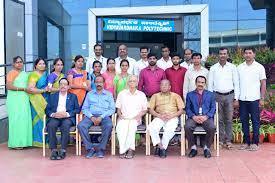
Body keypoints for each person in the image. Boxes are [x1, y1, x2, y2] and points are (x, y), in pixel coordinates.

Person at [208, 47, 239, 149]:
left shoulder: (232, 67)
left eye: (224, 53)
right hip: (217, 96)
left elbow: (236, 83)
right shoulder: (213, 68)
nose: (222, 55)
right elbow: (210, 84)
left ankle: (228, 141)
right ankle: (220, 140)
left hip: (230, 95)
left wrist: (236, 98)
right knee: (219, 119)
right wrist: (210, 98)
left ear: (227, 55)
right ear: (218, 55)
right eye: (221, 53)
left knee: (229, 119)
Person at [78, 75, 115, 158]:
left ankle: (101, 149)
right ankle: (90, 149)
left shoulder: (109, 94)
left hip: (104, 116)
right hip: (91, 116)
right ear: (94, 83)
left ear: (104, 83)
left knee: (109, 125)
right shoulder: (89, 94)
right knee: (81, 126)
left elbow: (112, 109)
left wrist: (101, 117)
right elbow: (84, 108)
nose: (99, 84)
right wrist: (91, 117)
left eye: (100, 82)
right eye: (97, 82)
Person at [238, 47, 266, 151]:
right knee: (244, 121)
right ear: (244, 55)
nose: (248, 55)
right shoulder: (240, 67)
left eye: (250, 53)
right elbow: (237, 83)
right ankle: (246, 142)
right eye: (246, 53)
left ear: (254, 54)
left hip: (255, 98)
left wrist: (262, 98)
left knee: (255, 121)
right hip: (242, 99)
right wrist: (236, 98)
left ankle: (255, 143)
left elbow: (263, 83)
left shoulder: (259, 67)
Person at [45, 78, 80, 160]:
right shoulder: (52, 96)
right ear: (59, 86)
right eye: (61, 84)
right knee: (51, 125)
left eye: (65, 84)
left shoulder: (73, 96)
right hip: (55, 117)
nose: (63, 86)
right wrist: (53, 114)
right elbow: (47, 109)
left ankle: (63, 150)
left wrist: (67, 114)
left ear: (68, 87)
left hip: (67, 117)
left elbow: (77, 109)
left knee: (65, 125)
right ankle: (53, 150)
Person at [148, 79, 184, 158]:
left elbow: (181, 110)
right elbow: (150, 109)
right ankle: (161, 147)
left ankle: (161, 147)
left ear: (169, 87)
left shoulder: (176, 96)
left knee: (169, 129)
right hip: (159, 116)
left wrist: (172, 116)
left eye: (166, 85)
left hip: (172, 117)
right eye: (162, 85)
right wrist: (158, 115)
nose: (163, 86)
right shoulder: (155, 96)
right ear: (159, 87)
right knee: (152, 127)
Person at [116, 75, 147, 159]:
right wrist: (120, 115)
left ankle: (130, 149)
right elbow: (118, 108)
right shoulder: (122, 94)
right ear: (127, 83)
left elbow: (144, 110)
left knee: (131, 128)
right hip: (124, 118)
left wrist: (138, 116)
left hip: (135, 118)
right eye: (130, 81)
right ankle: (122, 150)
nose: (132, 83)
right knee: (121, 128)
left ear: (137, 83)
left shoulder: (141, 94)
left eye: (134, 81)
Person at [185, 75, 216, 158]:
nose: (200, 84)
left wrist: (206, 117)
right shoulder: (190, 95)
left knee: (212, 127)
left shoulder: (211, 94)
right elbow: (187, 108)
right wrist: (193, 116)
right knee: (187, 126)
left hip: (206, 117)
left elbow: (213, 108)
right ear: (195, 83)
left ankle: (206, 148)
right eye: (199, 82)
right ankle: (193, 148)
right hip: (194, 117)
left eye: (202, 82)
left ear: (205, 84)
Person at [6, 56, 32, 149]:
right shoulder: (11, 73)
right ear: (13, 64)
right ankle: (16, 143)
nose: (20, 64)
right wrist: (22, 89)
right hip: (14, 99)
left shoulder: (25, 73)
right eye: (17, 62)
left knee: (24, 119)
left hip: (24, 99)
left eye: (21, 62)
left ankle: (24, 142)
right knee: (16, 120)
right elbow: (9, 86)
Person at [28, 58, 49, 147]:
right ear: (35, 65)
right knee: (38, 120)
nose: (42, 65)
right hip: (36, 100)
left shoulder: (46, 74)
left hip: (46, 99)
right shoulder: (34, 75)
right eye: (40, 64)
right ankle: (37, 141)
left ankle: (45, 140)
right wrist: (43, 90)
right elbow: (30, 89)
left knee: (45, 119)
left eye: (43, 63)